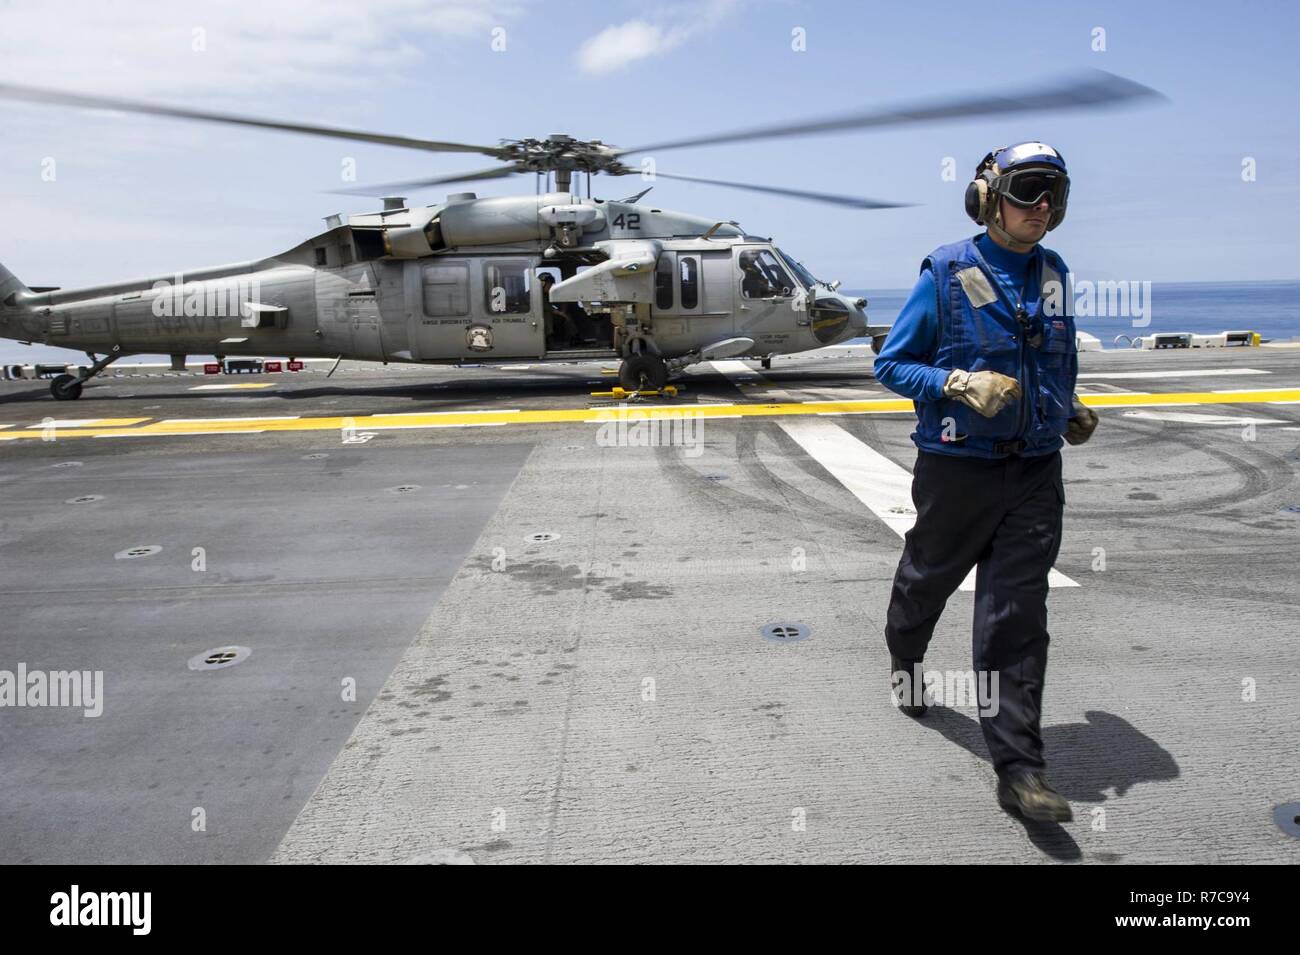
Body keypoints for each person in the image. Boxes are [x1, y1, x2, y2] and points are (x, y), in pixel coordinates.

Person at [872, 142, 1099, 823]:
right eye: (1028, 191)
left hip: (1034, 471)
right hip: (957, 470)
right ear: (987, 197)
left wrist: (1070, 407)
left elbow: (1057, 359)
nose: (1042, 207)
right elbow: (891, 363)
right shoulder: (945, 271)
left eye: (1054, 194)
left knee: (1016, 618)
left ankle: (1020, 770)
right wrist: (957, 382)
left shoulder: (1054, 274)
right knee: (926, 580)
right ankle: (905, 657)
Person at [538, 272, 578, 348]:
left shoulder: (548, 294)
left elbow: (559, 302)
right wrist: (562, 314)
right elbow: (548, 308)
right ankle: (550, 340)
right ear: (542, 284)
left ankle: (574, 337)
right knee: (548, 314)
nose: (550, 286)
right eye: (549, 284)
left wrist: (563, 309)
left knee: (566, 316)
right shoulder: (534, 294)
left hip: (547, 317)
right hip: (537, 319)